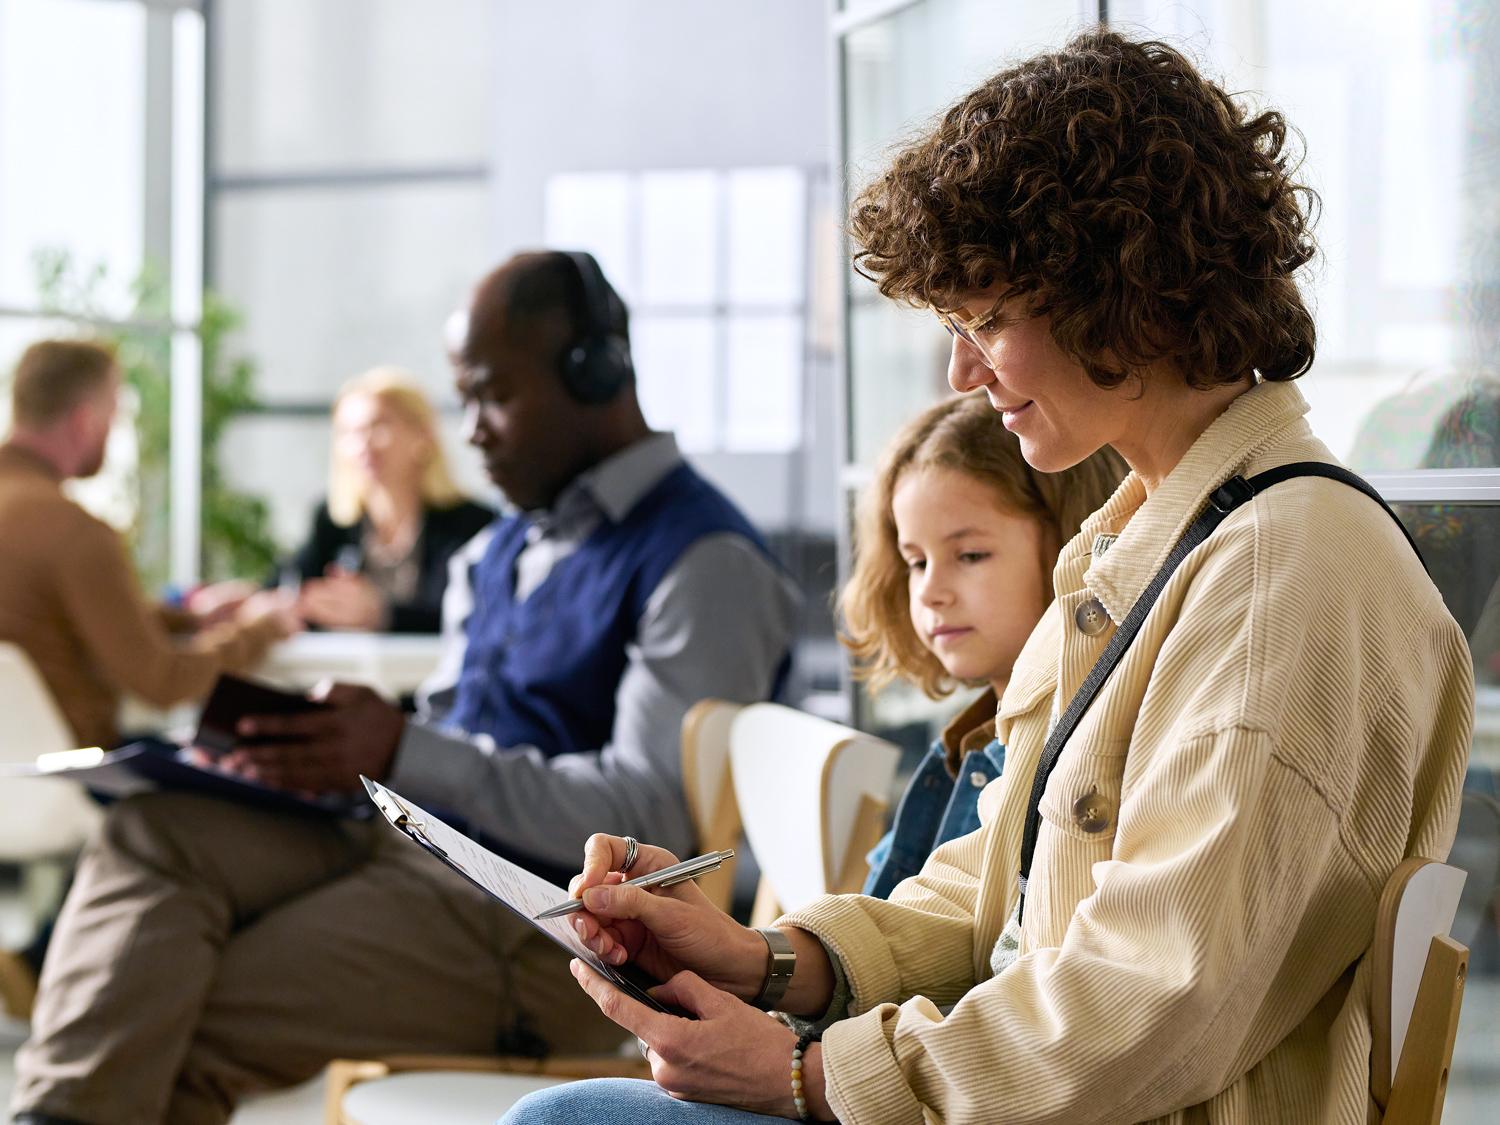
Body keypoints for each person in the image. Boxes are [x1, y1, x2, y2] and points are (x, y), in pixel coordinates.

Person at [503, 31, 1473, 1125]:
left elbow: (1150, 1003)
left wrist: (805, 1076)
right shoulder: (1163, 542)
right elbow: (997, 897)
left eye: (988, 322)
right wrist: (764, 960)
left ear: (1131, 295)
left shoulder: (1279, 583)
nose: (962, 373)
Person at [9, 251, 800, 1125]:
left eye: (493, 395)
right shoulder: (501, 551)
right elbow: (459, 728)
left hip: (540, 921)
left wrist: (398, 747)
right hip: (405, 844)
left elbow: (655, 819)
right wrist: (325, 757)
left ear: (598, 371)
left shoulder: (702, 561)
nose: (472, 431)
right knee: (151, 826)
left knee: (162, 1008)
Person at [840, 394, 1125, 899]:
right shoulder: (958, 750)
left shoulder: (1083, 768)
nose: (930, 591)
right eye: (917, 562)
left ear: (1074, 542)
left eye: (969, 555)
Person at [0, 339, 296, 750]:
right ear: (86, 420)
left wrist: (189, 619)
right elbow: (164, 681)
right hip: (76, 779)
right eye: (116, 413)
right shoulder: (73, 532)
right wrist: (262, 628)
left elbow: (66, 616)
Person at [283, 367, 494, 633]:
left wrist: (382, 614)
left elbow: (476, 615)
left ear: (422, 435)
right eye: (349, 432)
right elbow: (292, 588)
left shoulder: (472, 524)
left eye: (378, 425)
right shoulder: (331, 522)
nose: (363, 444)